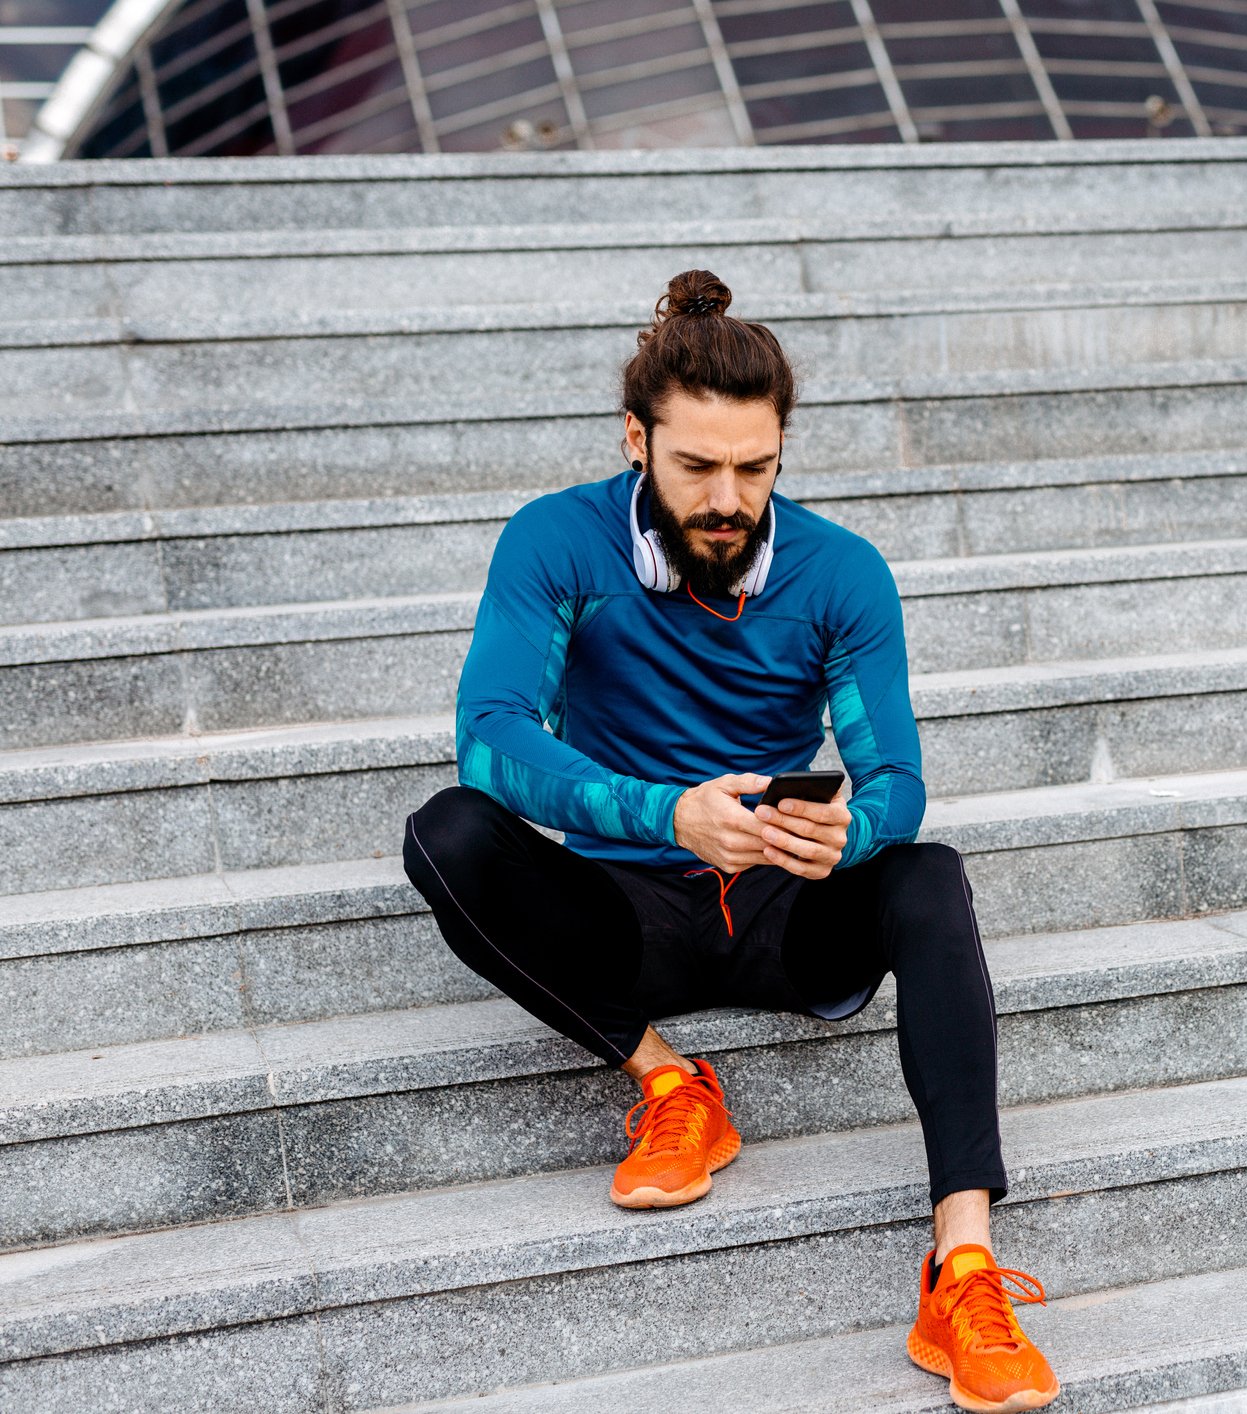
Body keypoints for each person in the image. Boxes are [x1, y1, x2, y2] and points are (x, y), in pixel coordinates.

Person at [400, 268, 1060, 1414]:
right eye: (697, 465)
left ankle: (961, 1267)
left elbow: (897, 777)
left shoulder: (839, 572)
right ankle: (669, 1080)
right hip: (629, 912)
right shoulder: (555, 543)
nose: (727, 497)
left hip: (784, 910)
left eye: (755, 468)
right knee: (446, 835)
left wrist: (850, 834)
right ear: (634, 439)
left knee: (930, 875)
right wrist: (665, 812)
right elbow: (493, 740)